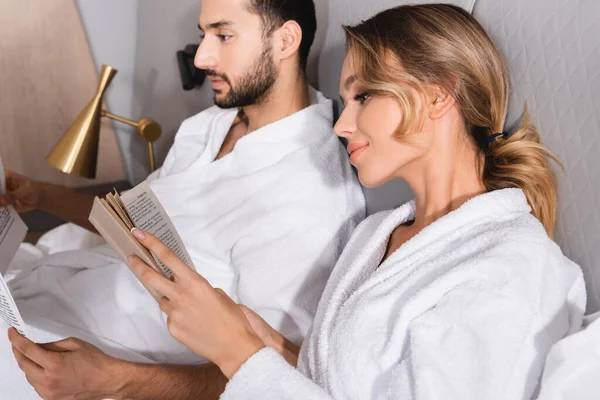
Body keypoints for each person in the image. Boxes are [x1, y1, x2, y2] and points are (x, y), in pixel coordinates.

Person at [80, 4, 588, 399]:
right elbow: (332, 378)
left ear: (439, 94)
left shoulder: (511, 271)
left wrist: (235, 353)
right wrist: (254, 335)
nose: (342, 124)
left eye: (364, 96)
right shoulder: (379, 234)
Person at [3, 0, 365, 398]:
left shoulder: (310, 197)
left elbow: (266, 373)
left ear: (286, 40)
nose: (204, 57)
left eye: (223, 36)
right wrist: (38, 193)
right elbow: (126, 222)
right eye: (203, 35)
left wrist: (112, 380)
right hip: (45, 295)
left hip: (88, 356)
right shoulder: (209, 126)